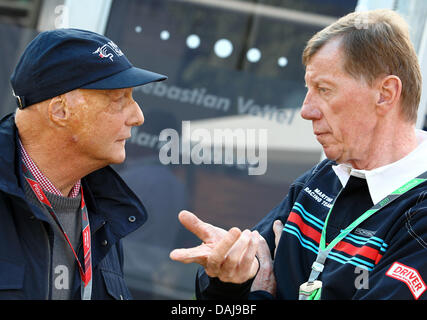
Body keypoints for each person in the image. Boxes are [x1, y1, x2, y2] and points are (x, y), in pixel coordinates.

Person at [170, 9, 427, 300]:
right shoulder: (322, 178)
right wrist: (230, 277)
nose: (306, 111)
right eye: (308, 89)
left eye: (324, 90)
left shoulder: (419, 214)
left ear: (385, 93)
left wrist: (262, 294)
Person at [0, 28, 166, 299]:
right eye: (118, 98)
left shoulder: (103, 213)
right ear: (60, 110)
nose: (138, 116)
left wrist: (221, 289)